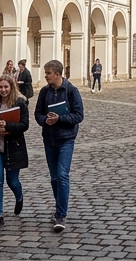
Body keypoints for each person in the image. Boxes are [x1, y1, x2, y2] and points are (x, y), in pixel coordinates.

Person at [35, 59, 84, 232]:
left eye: (48, 73)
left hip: (66, 139)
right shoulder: (44, 92)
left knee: (62, 175)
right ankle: (59, 209)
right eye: (45, 73)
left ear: (57, 74)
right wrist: (45, 121)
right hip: (49, 139)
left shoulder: (71, 91)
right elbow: (37, 114)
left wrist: (60, 119)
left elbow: (78, 115)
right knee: (54, 178)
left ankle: (61, 215)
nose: (46, 76)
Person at [0, 75, 29, 230]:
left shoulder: (19, 103)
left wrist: (8, 126)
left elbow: (24, 125)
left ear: (11, 87)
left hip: (13, 147)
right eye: (1, 87)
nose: (3, 90)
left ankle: (19, 196)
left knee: (12, 181)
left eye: (6, 87)